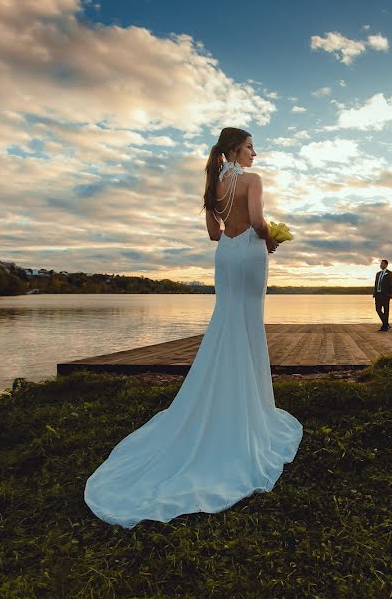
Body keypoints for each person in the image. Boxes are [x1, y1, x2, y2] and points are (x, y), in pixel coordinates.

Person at [84, 127, 304, 528]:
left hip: (225, 257)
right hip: (251, 256)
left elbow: (213, 233)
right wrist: (271, 239)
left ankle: (225, 398)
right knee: (249, 322)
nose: (256, 152)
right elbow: (256, 221)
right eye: (251, 146)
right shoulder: (253, 180)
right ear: (236, 150)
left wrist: (239, 232)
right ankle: (251, 409)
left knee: (226, 321)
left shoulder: (212, 184)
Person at [373, 259, 392, 331]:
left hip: (385, 295)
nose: (380, 265)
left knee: (386, 310)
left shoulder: (390, 273)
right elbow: (376, 284)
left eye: (382, 264)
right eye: (380, 263)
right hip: (378, 295)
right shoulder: (378, 274)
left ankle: (384, 326)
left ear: (386, 265)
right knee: (378, 309)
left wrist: (389, 294)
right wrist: (374, 293)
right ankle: (386, 324)